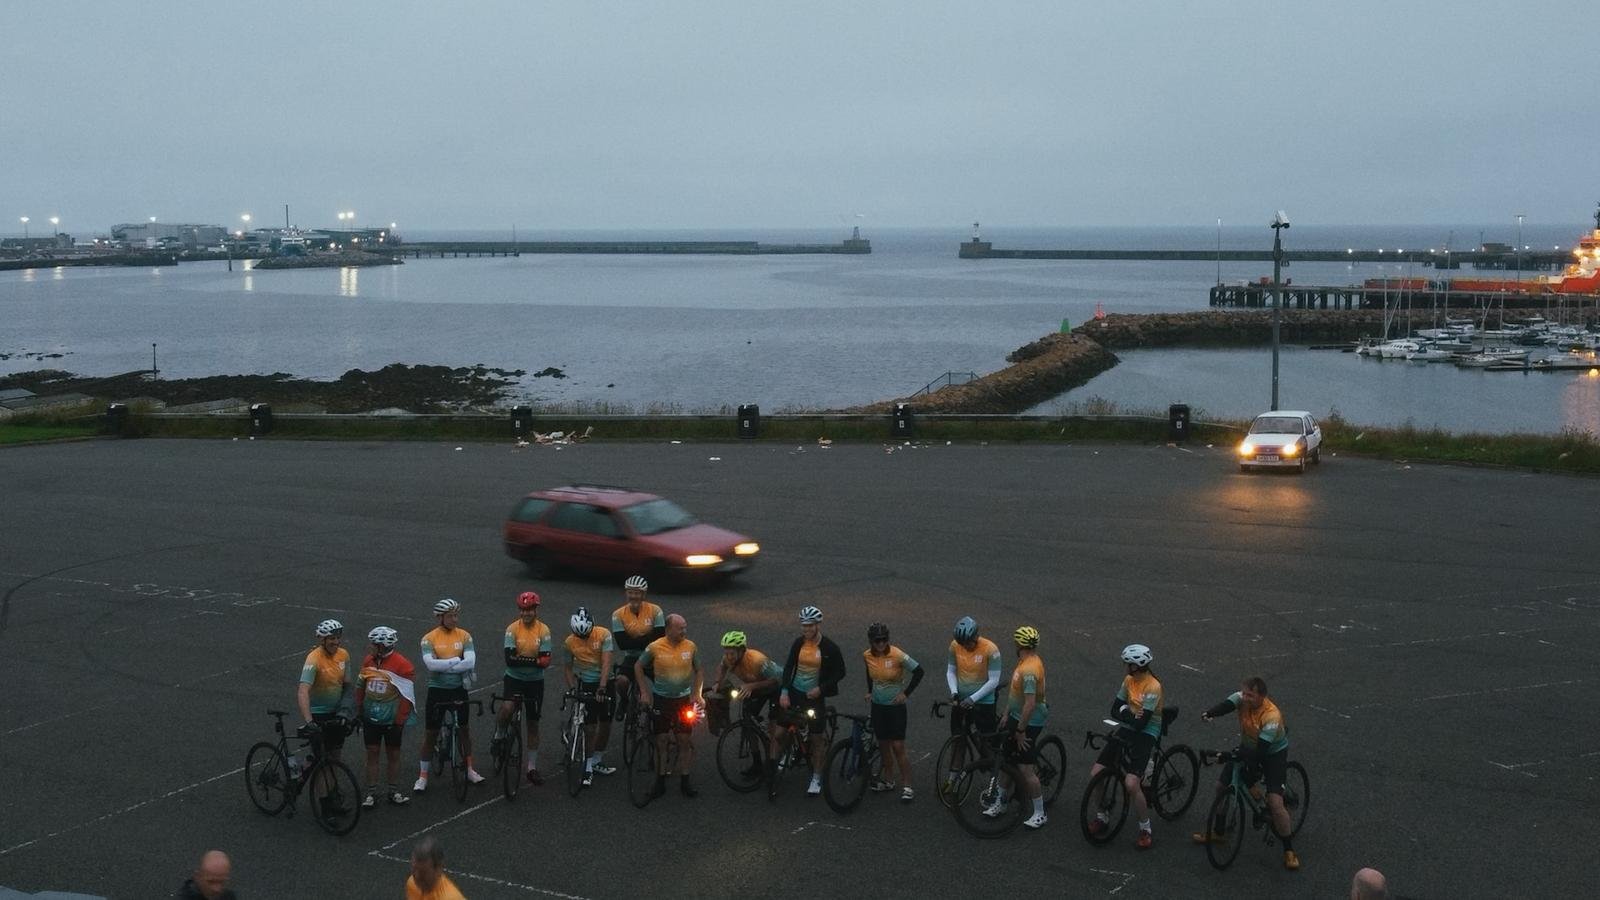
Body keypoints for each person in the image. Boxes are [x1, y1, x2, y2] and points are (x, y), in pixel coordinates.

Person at [1193, 676, 1299, 871]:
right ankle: (1219, 832)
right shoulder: (1241, 698)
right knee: (1221, 787)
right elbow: (1226, 705)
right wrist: (1210, 713)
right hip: (1248, 746)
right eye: (1245, 693)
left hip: (1271, 754)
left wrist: (1226, 755)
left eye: (1251, 695)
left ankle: (1288, 849)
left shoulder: (1271, 715)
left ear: (1262, 696)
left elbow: (1260, 752)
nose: (1246, 698)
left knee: (1275, 803)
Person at [1086, 644, 1163, 848]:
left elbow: (1142, 723)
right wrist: (1128, 712)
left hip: (1147, 733)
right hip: (1129, 728)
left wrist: (1125, 711)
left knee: (1130, 784)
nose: (1124, 666)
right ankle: (1103, 816)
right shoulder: (1129, 680)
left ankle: (1145, 828)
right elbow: (1114, 709)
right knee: (1096, 774)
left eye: (1127, 663)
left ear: (1136, 665)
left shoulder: (1153, 686)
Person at [415, 598, 484, 792]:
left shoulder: (464, 636)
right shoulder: (429, 638)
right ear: (440, 617)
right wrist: (456, 661)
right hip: (437, 690)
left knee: (464, 730)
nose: (455, 619)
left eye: (456, 615)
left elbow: (470, 662)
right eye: (450, 616)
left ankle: (470, 769)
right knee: (431, 734)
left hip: (458, 689)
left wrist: (445, 665)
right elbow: (430, 665)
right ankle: (423, 776)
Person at [777, 605, 846, 797]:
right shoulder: (798, 643)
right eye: (803, 626)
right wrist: (784, 692)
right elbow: (789, 666)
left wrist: (821, 689)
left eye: (809, 626)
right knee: (780, 732)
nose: (806, 630)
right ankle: (787, 752)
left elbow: (841, 672)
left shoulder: (829, 647)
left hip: (814, 697)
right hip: (795, 692)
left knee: (817, 739)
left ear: (817, 625)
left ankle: (816, 776)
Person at [986, 625, 1048, 829]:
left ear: (1020, 644)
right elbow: (1015, 695)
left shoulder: (1030, 669)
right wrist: (1005, 714)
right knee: (1007, 760)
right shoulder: (1025, 661)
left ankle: (1040, 813)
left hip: (1029, 721)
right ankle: (1001, 802)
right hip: (1015, 715)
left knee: (1025, 769)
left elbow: (1029, 704)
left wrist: (1021, 731)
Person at [636, 612, 703, 798]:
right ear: (669, 629)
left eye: (685, 627)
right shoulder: (655, 647)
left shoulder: (691, 647)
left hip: (682, 700)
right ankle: (660, 782)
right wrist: (644, 692)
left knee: (684, 740)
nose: (684, 631)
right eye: (680, 628)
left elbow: (699, 671)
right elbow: (638, 666)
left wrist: (697, 693)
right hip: (661, 700)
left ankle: (685, 781)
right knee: (661, 741)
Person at [862, 622, 923, 801]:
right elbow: (869, 673)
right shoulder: (866, 655)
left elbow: (919, 671)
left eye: (884, 640)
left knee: (897, 746)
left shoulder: (897, 655)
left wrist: (906, 693)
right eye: (877, 640)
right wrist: (869, 690)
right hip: (878, 707)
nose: (881, 643)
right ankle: (889, 781)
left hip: (895, 707)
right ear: (871, 641)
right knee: (883, 745)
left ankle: (907, 785)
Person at [356, 625, 415, 807]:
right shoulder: (368, 661)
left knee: (393, 754)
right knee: (372, 753)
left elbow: (407, 696)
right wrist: (358, 709)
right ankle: (371, 793)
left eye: (373, 644)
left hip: (391, 719)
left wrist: (399, 720)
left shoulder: (403, 665)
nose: (370, 647)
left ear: (382, 646)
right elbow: (360, 686)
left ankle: (393, 791)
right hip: (370, 717)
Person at [498, 591, 552, 786]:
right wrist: (533, 660)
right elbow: (509, 661)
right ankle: (499, 734)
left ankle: (531, 767)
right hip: (514, 679)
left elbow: (546, 662)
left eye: (529, 610)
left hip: (535, 682)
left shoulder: (543, 630)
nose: (526, 614)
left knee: (533, 723)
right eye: (522, 610)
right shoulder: (512, 629)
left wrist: (523, 660)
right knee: (507, 708)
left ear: (535, 610)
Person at [943, 616, 1002, 793]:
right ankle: (952, 779)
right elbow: (951, 671)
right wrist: (954, 692)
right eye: (962, 643)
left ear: (976, 636)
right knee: (958, 740)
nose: (965, 646)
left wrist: (973, 699)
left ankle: (996, 783)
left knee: (985, 742)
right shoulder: (955, 645)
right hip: (961, 702)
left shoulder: (991, 650)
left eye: (968, 642)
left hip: (983, 703)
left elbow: (993, 681)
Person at [563, 606, 616, 786]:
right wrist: (572, 689)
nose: (583, 638)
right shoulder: (569, 642)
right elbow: (568, 668)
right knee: (590, 727)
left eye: (586, 635)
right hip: (585, 682)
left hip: (604, 682)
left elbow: (607, 662)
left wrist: (602, 687)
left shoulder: (603, 634)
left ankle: (597, 760)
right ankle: (587, 767)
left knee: (606, 723)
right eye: (580, 636)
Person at [297, 619, 355, 762]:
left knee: (335, 757)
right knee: (321, 763)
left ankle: (333, 784)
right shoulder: (313, 658)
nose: (336, 642)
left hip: (337, 714)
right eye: (332, 638)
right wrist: (309, 721)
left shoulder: (344, 655)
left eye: (338, 638)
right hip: (319, 715)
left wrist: (346, 711)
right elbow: (303, 691)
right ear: (322, 640)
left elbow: (347, 686)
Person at [609, 575, 665, 721]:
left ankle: (660, 710)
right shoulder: (618, 615)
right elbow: (622, 644)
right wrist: (648, 638)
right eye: (630, 592)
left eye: (637, 593)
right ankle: (625, 700)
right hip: (632, 657)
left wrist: (634, 640)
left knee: (663, 684)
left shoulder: (655, 610)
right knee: (621, 681)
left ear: (644, 594)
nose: (633, 596)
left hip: (653, 655)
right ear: (626, 593)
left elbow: (660, 637)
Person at [708, 630, 781, 719]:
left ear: (741, 650)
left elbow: (775, 680)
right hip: (757, 688)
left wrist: (751, 686)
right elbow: (722, 667)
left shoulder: (757, 660)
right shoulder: (727, 658)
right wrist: (717, 682)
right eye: (727, 653)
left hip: (777, 687)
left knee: (774, 722)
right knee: (747, 717)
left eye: (732, 654)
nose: (729, 657)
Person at [405, 836, 466, 900]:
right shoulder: (411, 884)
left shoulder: (450, 898)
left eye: (423, 872)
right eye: (414, 869)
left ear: (438, 869)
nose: (417, 876)